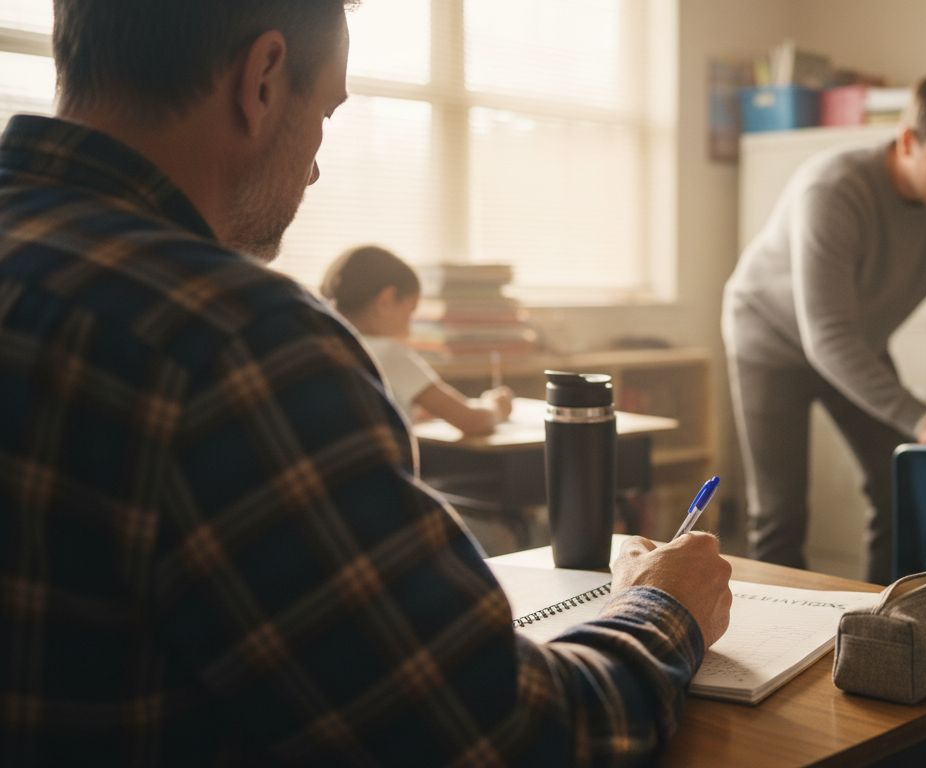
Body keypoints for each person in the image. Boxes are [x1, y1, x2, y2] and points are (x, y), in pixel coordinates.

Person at [0, 2, 732, 765]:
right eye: (326, 111)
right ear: (263, 79)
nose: (316, 166)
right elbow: (507, 738)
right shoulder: (236, 341)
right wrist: (664, 603)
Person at [723, 70, 926, 583]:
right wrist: (923, 416)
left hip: (854, 342)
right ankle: (782, 647)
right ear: (908, 141)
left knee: (899, 488)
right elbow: (826, 337)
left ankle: (882, 627)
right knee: (781, 512)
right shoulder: (834, 188)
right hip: (770, 340)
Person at [321, 244, 513, 435]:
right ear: (385, 301)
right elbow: (472, 420)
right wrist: (496, 407)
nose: (410, 325)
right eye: (410, 311)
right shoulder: (387, 352)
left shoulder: (326, 346)